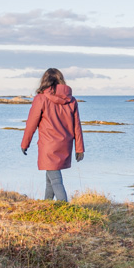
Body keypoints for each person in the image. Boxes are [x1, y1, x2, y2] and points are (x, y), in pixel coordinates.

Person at [20, 67, 85, 202]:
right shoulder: (71, 100)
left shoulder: (41, 99)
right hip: (65, 144)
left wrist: (25, 144)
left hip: (48, 145)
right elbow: (77, 126)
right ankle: (47, 205)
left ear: (44, 81)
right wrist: (79, 148)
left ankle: (64, 208)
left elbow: (31, 124)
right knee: (50, 177)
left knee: (55, 179)